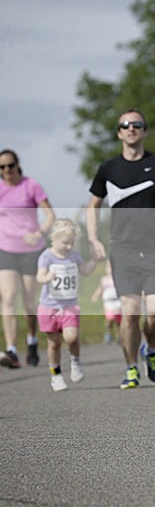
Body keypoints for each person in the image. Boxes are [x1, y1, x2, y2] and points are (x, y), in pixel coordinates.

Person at [86, 108, 155, 389]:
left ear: (145, 130)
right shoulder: (108, 169)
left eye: (137, 124)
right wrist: (93, 238)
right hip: (123, 251)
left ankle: (150, 350)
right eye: (126, 125)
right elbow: (93, 205)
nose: (131, 128)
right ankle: (131, 368)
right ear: (119, 132)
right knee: (130, 313)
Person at [0, 149, 56, 369]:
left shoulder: (31, 185)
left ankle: (32, 340)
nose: (6, 171)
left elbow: (50, 215)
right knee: (9, 298)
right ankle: (12, 349)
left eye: (10, 166)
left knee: (30, 301)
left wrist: (39, 233)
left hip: (31, 249)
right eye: (1, 167)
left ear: (17, 165)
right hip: (6, 248)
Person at [36, 219, 100, 391]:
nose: (69, 246)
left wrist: (94, 261)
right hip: (49, 306)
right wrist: (47, 277)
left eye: (72, 243)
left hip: (69, 305)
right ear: (53, 239)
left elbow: (84, 271)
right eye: (65, 243)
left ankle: (75, 360)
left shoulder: (75, 256)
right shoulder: (46, 256)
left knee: (71, 337)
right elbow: (39, 276)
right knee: (53, 343)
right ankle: (56, 375)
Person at [91, 261, 121, 344]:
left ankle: (120, 335)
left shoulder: (118, 278)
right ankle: (109, 332)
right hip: (108, 303)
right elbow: (100, 289)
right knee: (110, 319)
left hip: (118, 302)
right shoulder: (104, 280)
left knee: (119, 320)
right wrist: (95, 296)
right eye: (109, 268)